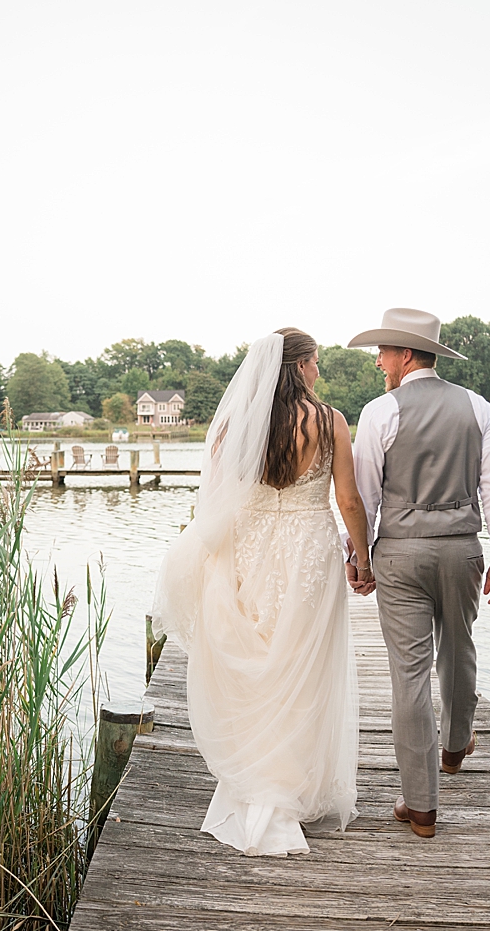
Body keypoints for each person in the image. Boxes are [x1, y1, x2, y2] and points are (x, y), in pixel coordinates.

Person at [150, 328, 372, 856]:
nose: (319, 371)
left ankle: (259, 778)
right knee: (303, 667)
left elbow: (220, 496)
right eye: (315, 362)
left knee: (257, 664)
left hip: (250, 550)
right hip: (309, 552)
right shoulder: (330, 421)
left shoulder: (234, 425)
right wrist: (361, 557)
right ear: (298, 367)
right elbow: (349, 500)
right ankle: (286, 784)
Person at [345, 308, 490, 838]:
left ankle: (421, 804)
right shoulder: (477, 406)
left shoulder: (379, 412)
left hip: (400, 555)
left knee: (409, 674)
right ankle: (454, 748)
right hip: (462, 550)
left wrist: (359, 559)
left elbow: (365, 497)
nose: (379, 361)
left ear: (405, 354)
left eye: (383, 351)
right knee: (459, 645)